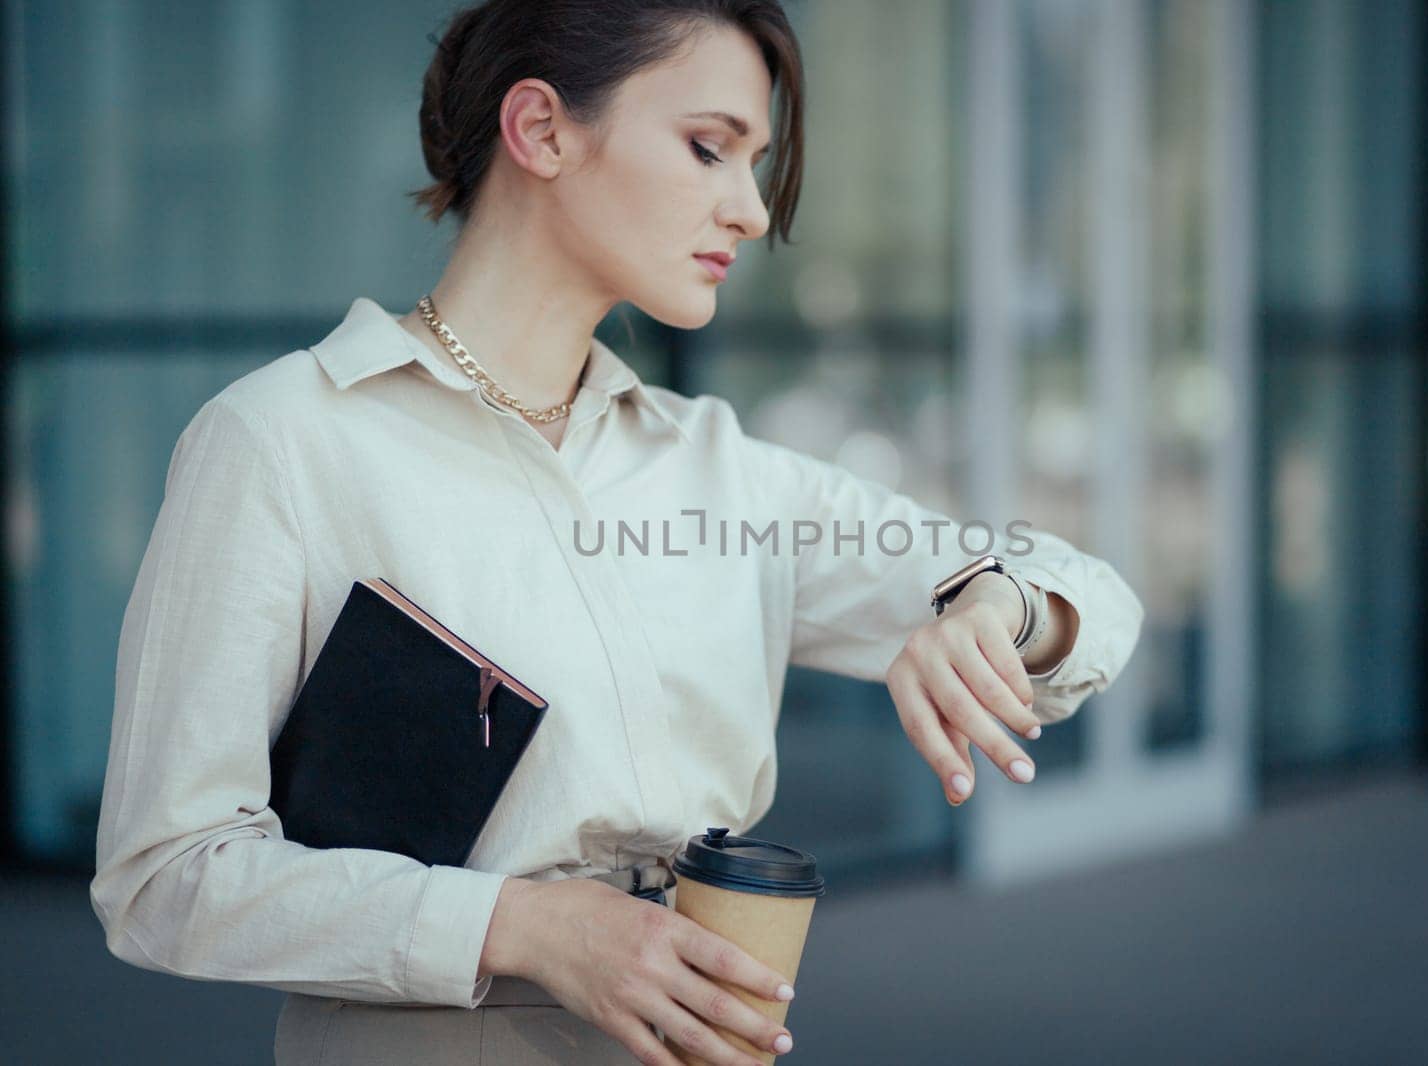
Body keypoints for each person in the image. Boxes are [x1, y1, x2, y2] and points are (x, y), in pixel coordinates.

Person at [88, 1, 1145, 1063]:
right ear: (541, 130)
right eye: (707, 149)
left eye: (756, 161)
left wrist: (995, 605)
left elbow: (1088, 594)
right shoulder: (283, 444)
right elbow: (165, 875)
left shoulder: (722, 471)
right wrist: (527, 927)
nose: (750, 209)